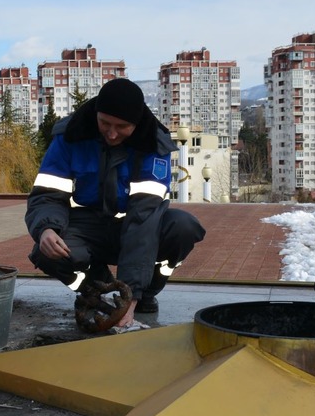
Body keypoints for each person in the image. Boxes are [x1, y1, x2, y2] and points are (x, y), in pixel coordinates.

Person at [25, 77, 206, 331]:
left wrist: (129, 296)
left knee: (183, 226)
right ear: (96, 113)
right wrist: (46, 228)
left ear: (137, 122)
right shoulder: (69, 137)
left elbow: (142, 220)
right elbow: (47, 195)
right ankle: (96, 289)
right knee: (46, 250)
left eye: (122, 126)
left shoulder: (155, 146)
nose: (111, 133)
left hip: (140, 229)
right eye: (105, 123)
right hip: (90, 227)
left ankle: (146, 292)